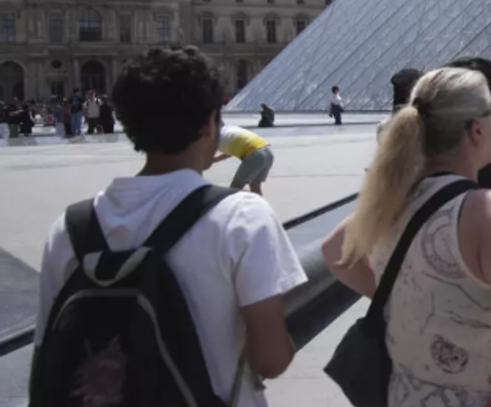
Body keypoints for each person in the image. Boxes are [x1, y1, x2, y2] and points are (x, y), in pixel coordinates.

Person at [32, 47, 305, 407]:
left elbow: (46, 355)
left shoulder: (69, 229)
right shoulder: (243, 218)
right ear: (210, 123)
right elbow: (270, 360)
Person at [333, 68, 491, 407]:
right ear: (476, 129)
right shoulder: (484, 209)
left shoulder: (391, 199)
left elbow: (335, 250)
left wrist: (405, 299)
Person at [324, 59, 491, 303]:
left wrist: (394, 301)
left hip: (409, 327)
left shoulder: (405, 177)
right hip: (485, 328)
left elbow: (335, 249)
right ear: (479, 123)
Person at [213, 124, 275, 197]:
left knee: (235, 188)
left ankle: (233, 204)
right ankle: (259, 204)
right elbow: (229, 152)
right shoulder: (229, 130)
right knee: (255, 186)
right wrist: (215, 160)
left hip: (255, 155)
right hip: (267, 152)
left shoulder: (214, 137)